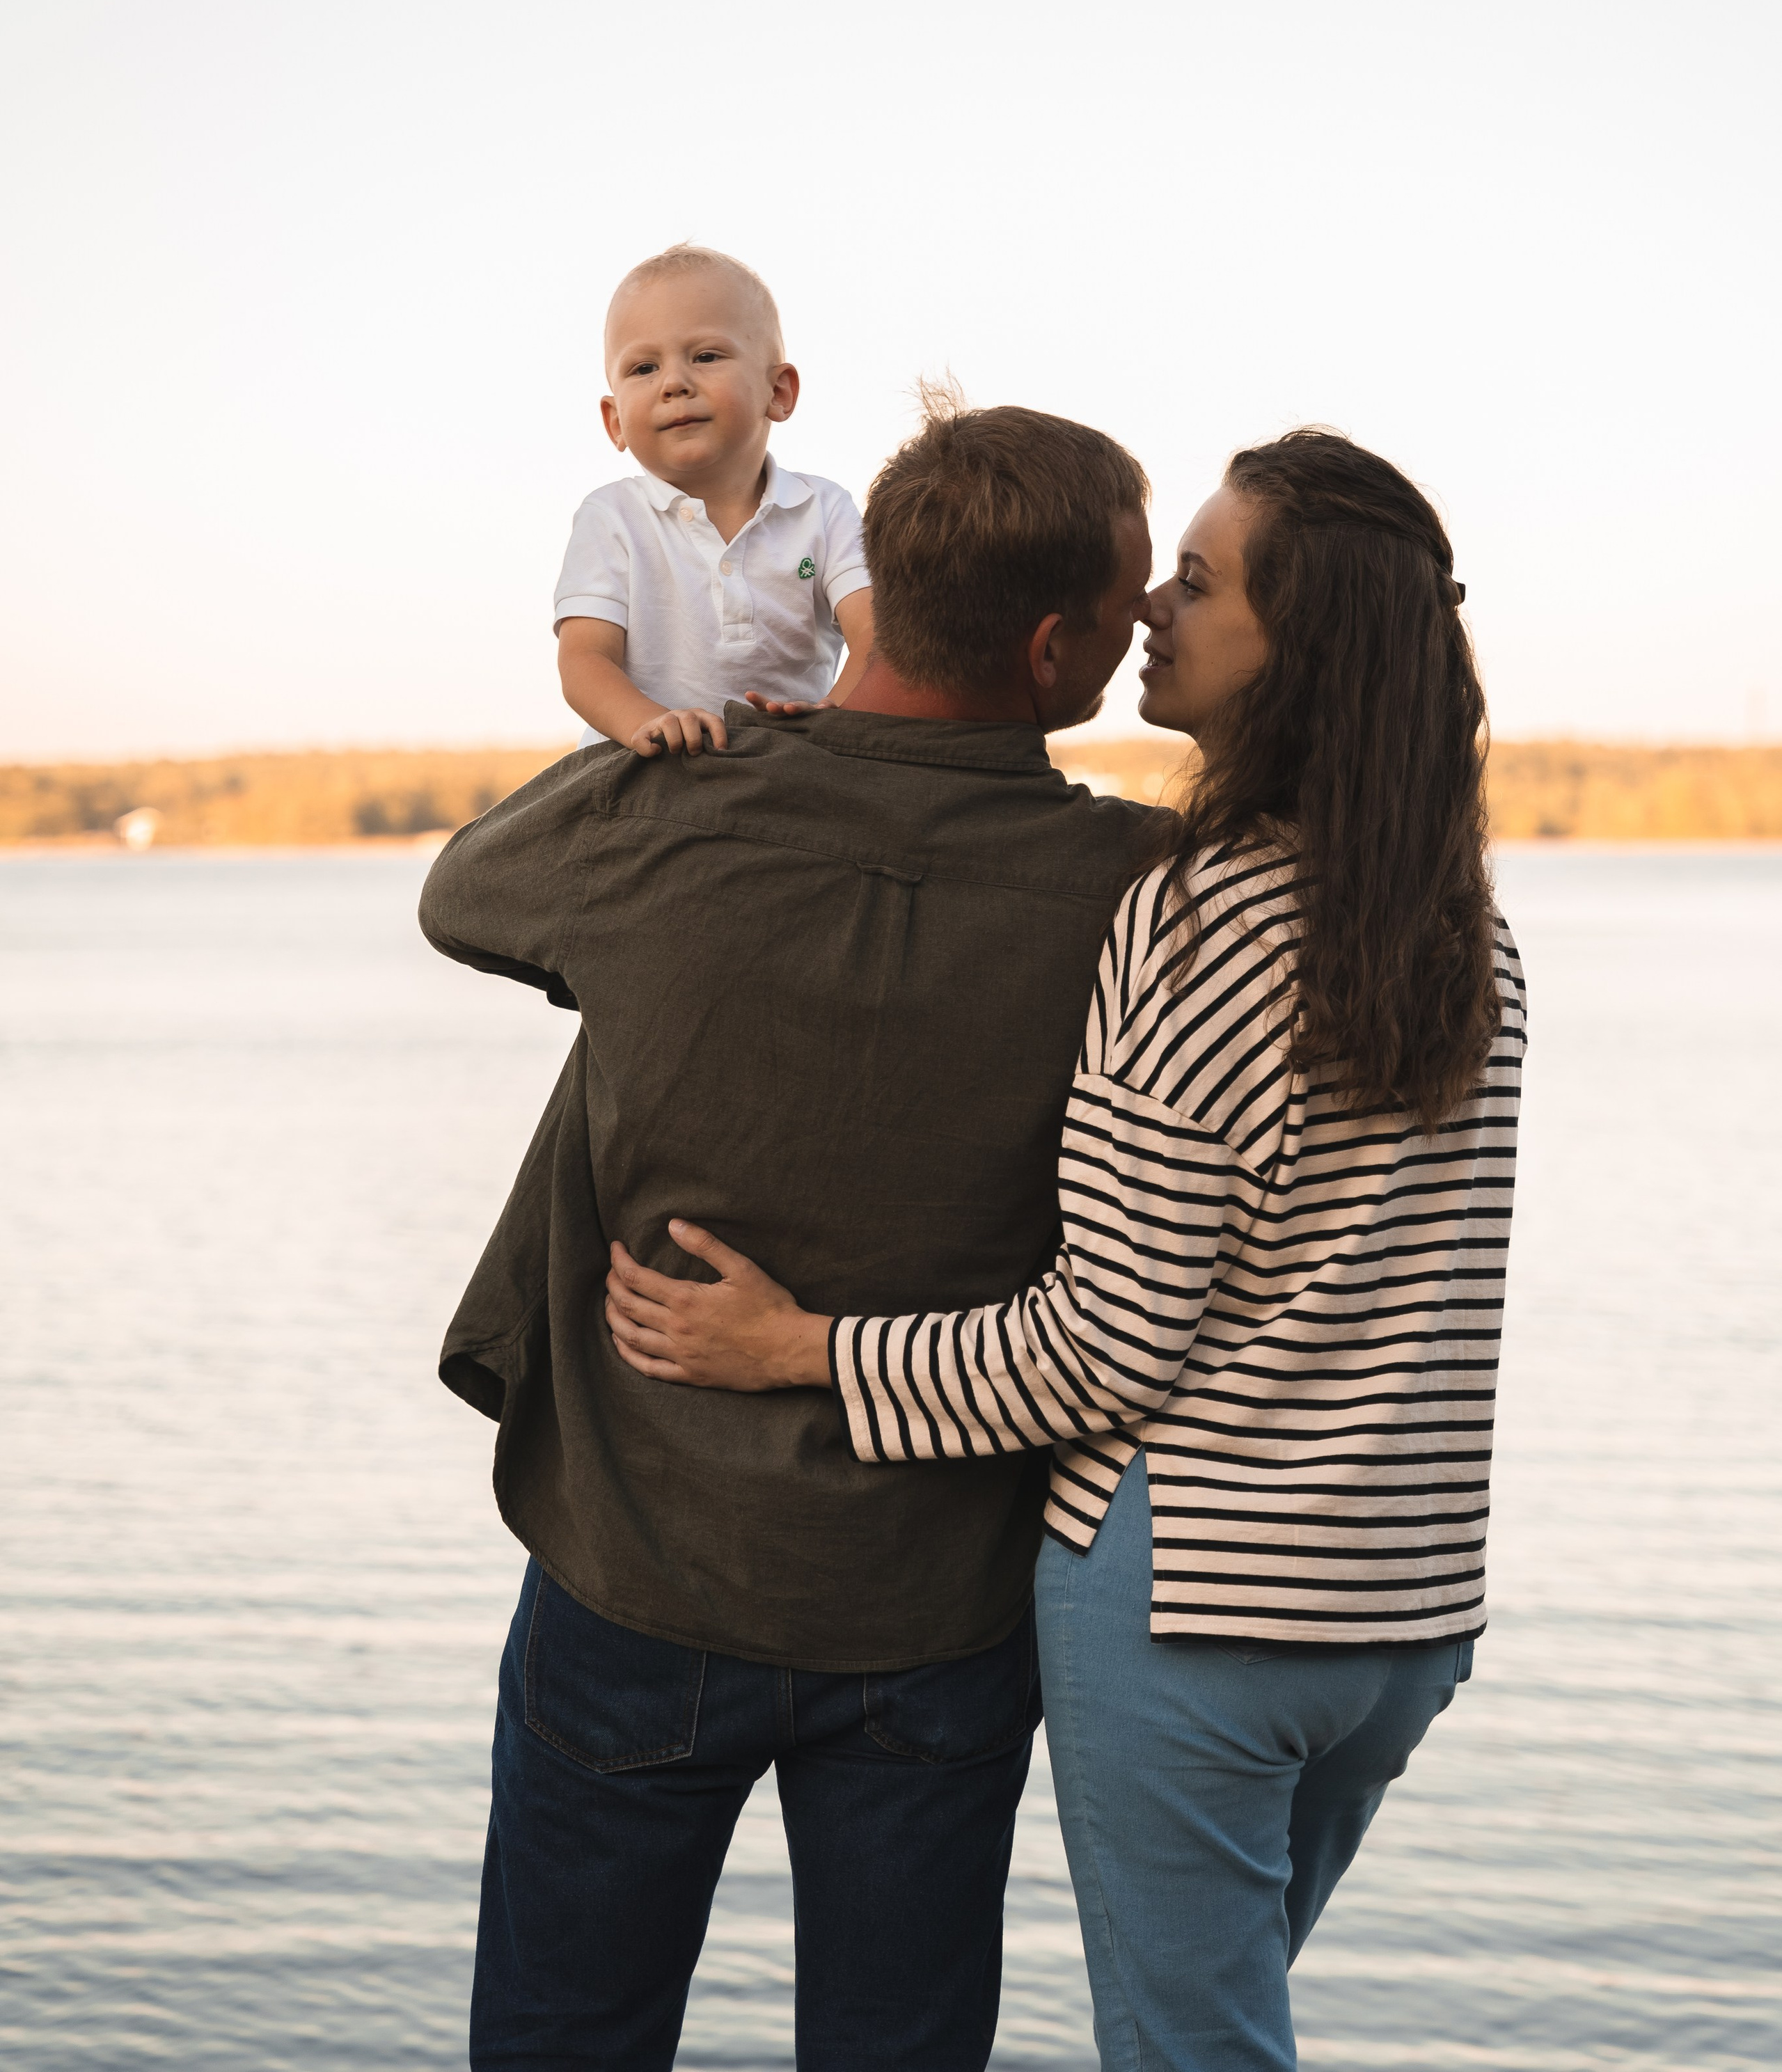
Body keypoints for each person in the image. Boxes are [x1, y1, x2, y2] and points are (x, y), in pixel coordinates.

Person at [606, 429, 1529, 2072]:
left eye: (1198, 578)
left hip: (1193, 1610)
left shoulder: (1190, 922)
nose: (1149, 607)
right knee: (1227, 2020)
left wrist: (796, 1346)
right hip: (1399, 1616)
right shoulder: (1462, 928)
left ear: (1293, 646)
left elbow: (1098, 1347)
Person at [420, 393, 1162, 2071]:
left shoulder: (679, 803)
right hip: (933, 1612)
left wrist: (689, 728)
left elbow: (463, 890)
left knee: (560, 2042)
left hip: (634, 1571)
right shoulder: (1135, 883)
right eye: (1122, 610)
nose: (1136, 636)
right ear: (1049, 648)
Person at [553, 242, 875, 757]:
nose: (674, 384)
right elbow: (585, 662)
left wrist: (835, 720)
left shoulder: (824, 510)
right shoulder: (611, 517)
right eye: (643, 369)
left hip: (789, 761)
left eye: (706, 356)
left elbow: (876, 636)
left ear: (779, 392)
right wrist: (650, 723)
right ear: (615, 422)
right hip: (643, 770)